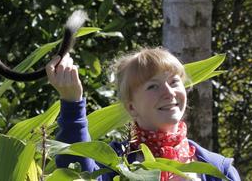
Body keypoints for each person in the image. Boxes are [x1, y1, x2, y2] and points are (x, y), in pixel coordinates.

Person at [46, 47, 240, 181]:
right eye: (153, 86)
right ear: (131, 107)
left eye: (173, 82)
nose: (169, 92)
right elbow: (77, 173)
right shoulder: (113, 163)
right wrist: (72, 102)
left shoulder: (217, 170)